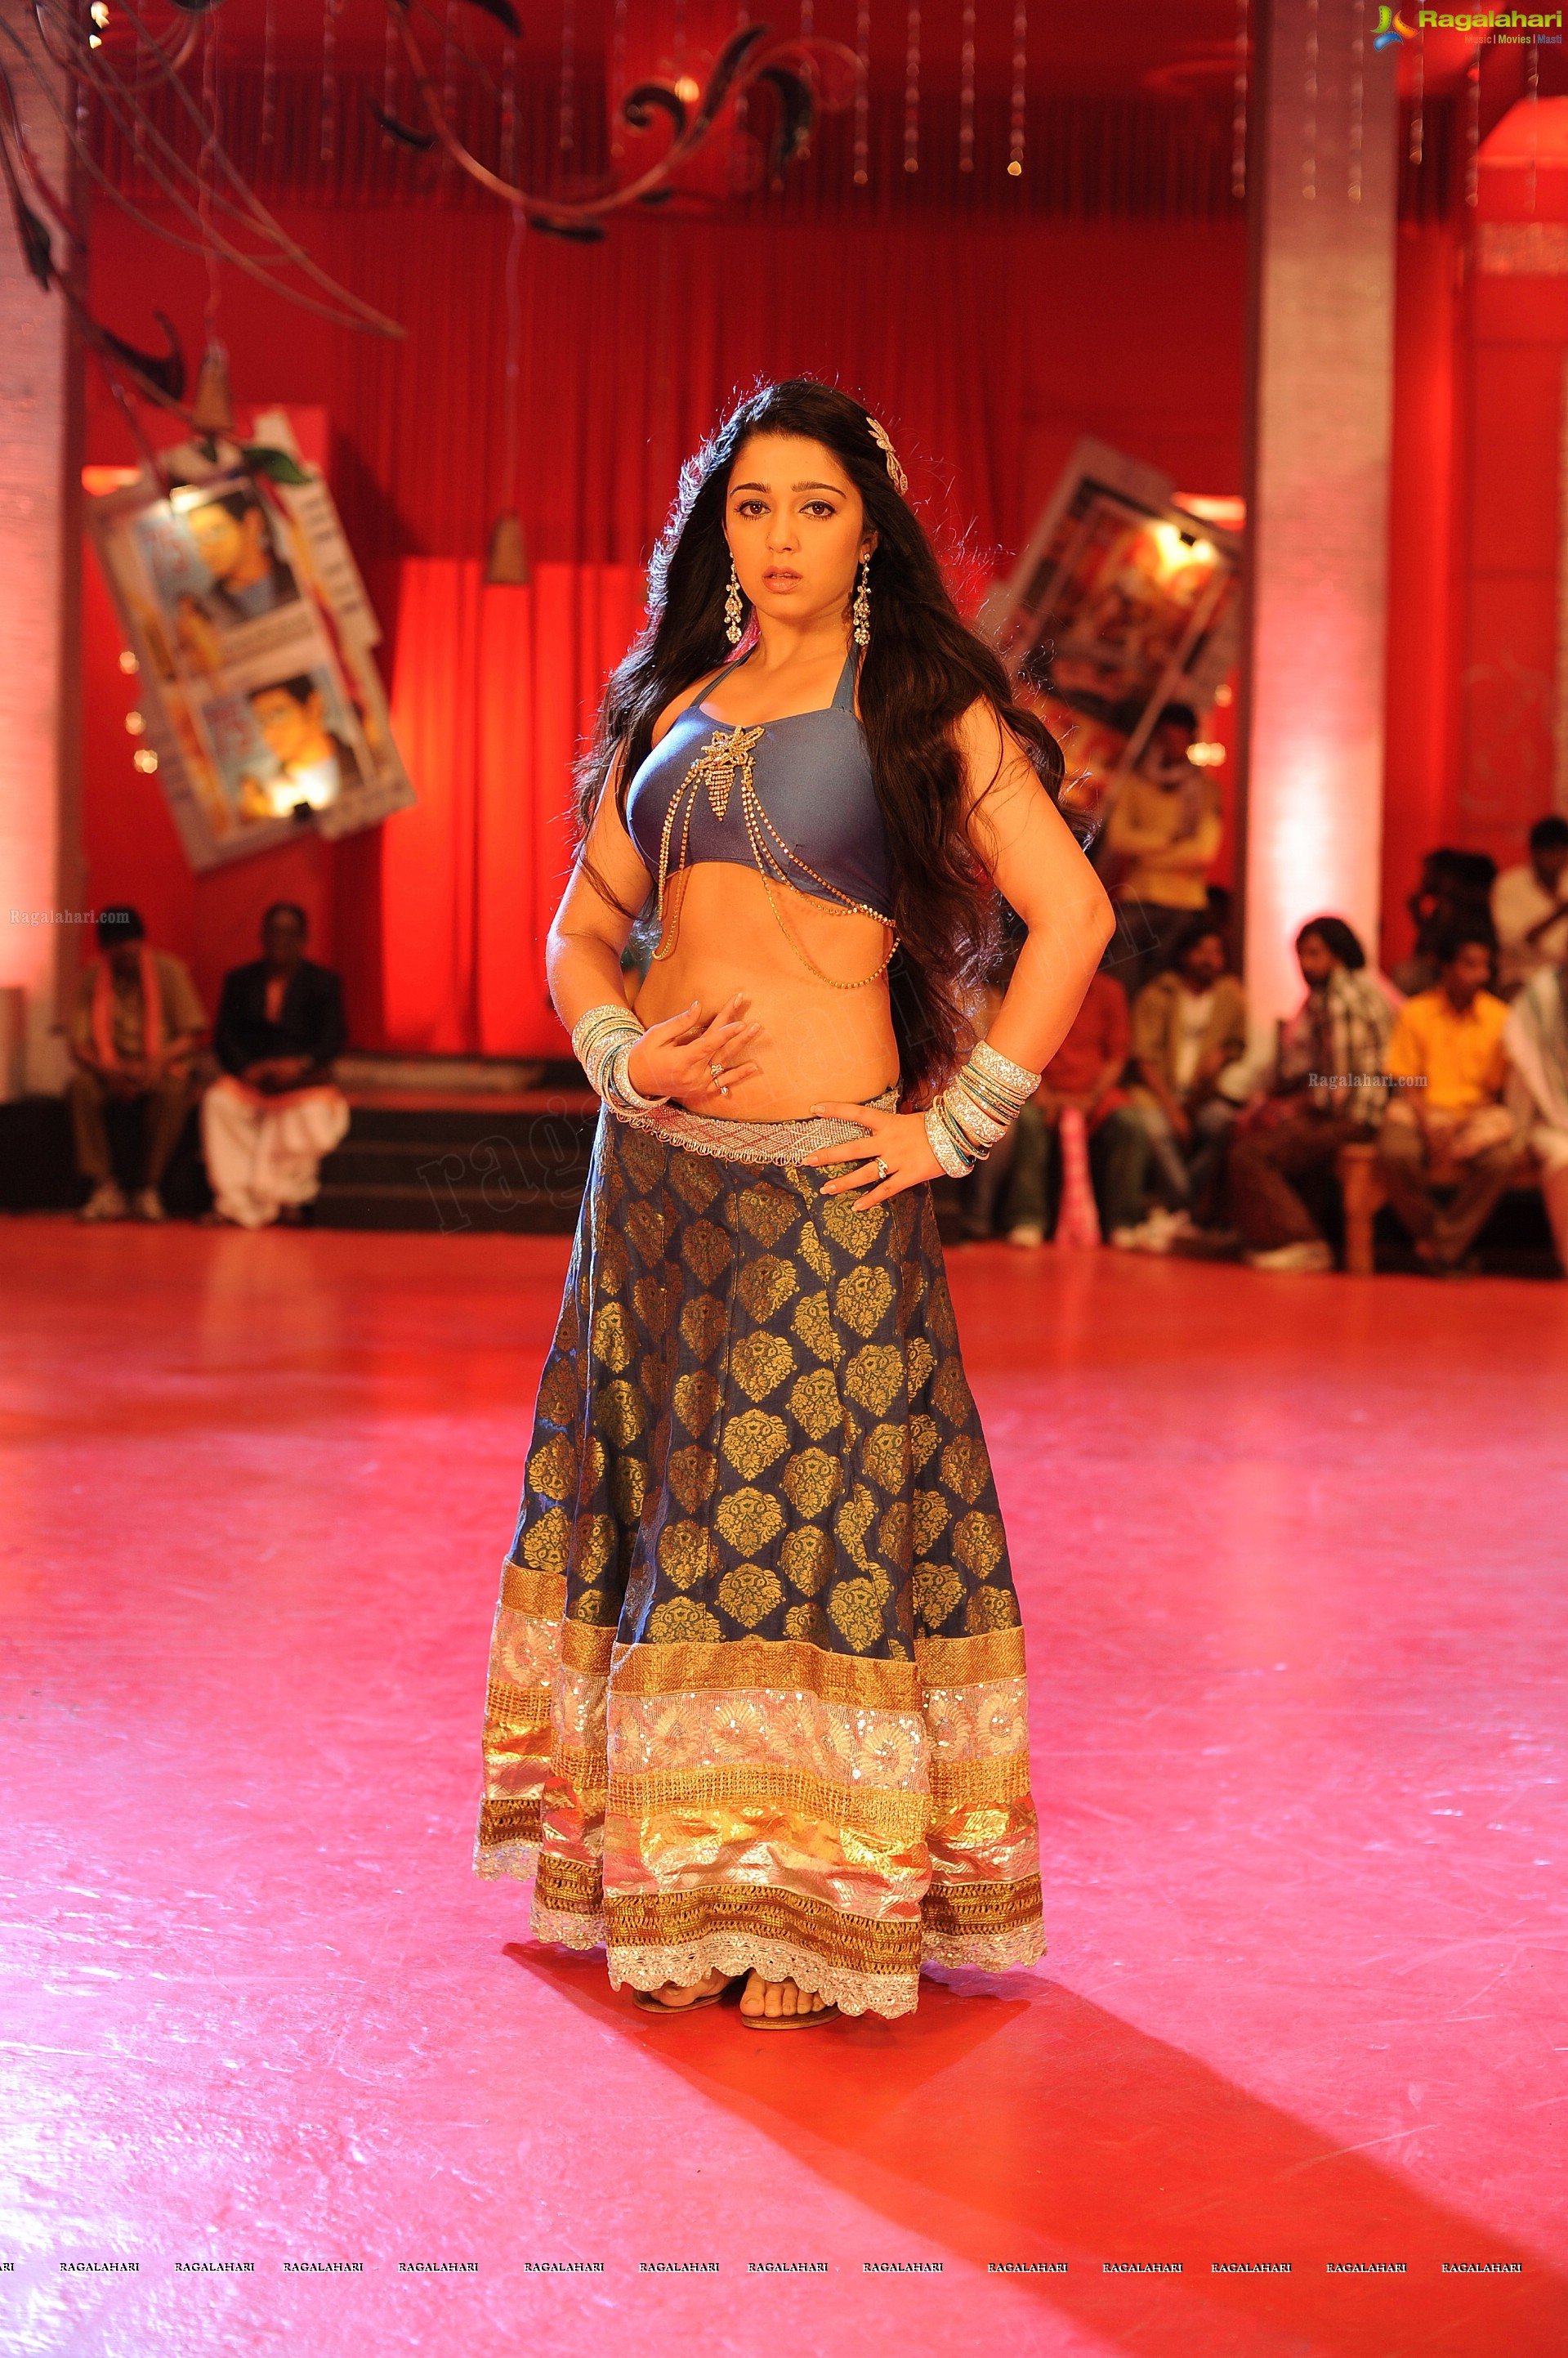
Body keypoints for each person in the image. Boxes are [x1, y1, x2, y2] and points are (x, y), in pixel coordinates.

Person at [476, 379, 1113, 2029]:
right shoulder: (668, 704)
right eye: (750, 505)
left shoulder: (921, 710)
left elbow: (1071, 914)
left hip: (826, 1189)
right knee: (678, 1531)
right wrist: (616, 1051)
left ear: (868, 532)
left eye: (814, 506)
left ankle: (810, 1908)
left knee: (805, 1532)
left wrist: (954, 1125)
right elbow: (576, 933)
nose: (777, 538)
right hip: (652, 1191)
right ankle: (683, 1880)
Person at [1228, 915, 1393, 1274]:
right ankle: (1245, 1235)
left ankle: (1303, 1242)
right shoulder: (1357, 989)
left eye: (1315, 954)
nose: (1305, 964)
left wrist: (1290, 1108)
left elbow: (1339, 1090)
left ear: (1338, 954)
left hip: (1353, 1119)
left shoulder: (1341, 1000)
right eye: (1301, 954)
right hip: (1346, 1112)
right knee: (1247, 1127)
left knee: (1251, 1154)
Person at [1378, 924, 1517, 1272]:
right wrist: (1428, 1127)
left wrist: (1459, 1127)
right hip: (1420, 1112)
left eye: (1484, 966)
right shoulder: (1416, 1012)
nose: (1481, 975)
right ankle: (1446, 1242)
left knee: (1500, 1160)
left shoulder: (1500, 1017)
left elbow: (1495, 1092)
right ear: (1446, 967)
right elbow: (1408, 1082)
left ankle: (1440, 1246)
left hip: (1474, 1116)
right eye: (1470, 965)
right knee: (1395, 1153)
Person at [202, 903, 350, 1229]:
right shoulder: (240, 980)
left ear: (303, 939)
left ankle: (287, 1199)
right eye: (274, 931)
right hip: (252, 1081)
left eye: (288, 933)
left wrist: (300, 1065)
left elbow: (333, 1039)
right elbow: (224, 1037)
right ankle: (237, 1202)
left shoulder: (323, 983)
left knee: (309, 1117)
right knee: (219, 1103)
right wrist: (247, 1069)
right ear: (262, 936)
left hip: (301, 1083)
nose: (280, 940)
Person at [67, 906, 205, 1223]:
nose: (126, 952)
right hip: (110, 1069)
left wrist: (157, 1063)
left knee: (174, 1091)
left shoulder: (168, 970)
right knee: (81, 1088)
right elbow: (78, 1046)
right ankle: (105, 1187)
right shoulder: (92, 977)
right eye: (117, 944)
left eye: (131, 943)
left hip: (160, 1065)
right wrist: (110, 1071)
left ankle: (148, 1187)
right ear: (105, 949)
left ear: (142, 942)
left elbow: (190, 1034)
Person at [992, 967, 1146, 1247]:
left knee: (1130, 1123)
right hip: (1045, 1092)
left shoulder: (1111, 991)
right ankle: (1027, 1218)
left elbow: (1117, 1056)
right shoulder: (1038, 988)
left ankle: (1123, 1222)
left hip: (1095, 1097)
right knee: (1028, 1121)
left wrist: (1093, 1098)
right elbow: (1022, 1048)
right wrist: (1043, 1093)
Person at [1123, 916, 1248, 1246]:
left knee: (1226, 1125)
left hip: (1204, 1097)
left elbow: (1239, 1043)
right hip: (1156, 1094)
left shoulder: (1230, 997)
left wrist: (1222, 1055)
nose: (1209, 959)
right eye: (1201, 951)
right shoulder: (1158, 994)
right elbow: (1143, 1059)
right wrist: (1173, 1110)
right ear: (1184, 954)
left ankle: (1181, 1211)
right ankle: (1189, 1210)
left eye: (1217, 953)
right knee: (1157, 1131)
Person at [1101, 703, 1222, 999]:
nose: (1173, 746)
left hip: (1184, 903)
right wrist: (1170, 841)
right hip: (1138, 897)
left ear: (1191, 740)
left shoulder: (1206, 790)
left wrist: (1146, 855)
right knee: (1122, 988)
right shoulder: (1135, 782)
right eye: (1167, 738)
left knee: (1170, 994)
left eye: (1180, 739)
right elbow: (1119, 838)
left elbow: (1203, 850)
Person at [1503, 951, 1568, 1273]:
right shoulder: (1539, 998)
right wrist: (1516, 1136)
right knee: (1565, 1158)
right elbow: (1525, 1072)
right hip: (1548, 1118)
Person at [237, 677, 362, 822]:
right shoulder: (271, 796)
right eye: (262, 722)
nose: (268, 733)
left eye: (279, 715)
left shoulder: (364, 760)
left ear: (314, 705)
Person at [176, 484, 299, 623]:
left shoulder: (298, 576)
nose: (205, 550)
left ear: (252, 524)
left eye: (215, 532)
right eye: (197, 541)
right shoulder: (208, 606)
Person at [1392, 848, 1497, 998]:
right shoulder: (1444, 907)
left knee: (1406, 974)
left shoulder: (1465, 907)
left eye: (1429, 871)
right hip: (1439, 973)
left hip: (1449, 975)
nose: (1424, 877)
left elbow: (1445, 951)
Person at [1491, 816, 1568, 999]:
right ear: (1535, 852)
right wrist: (1557, 915)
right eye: (1551, 852)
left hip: (1565, 975)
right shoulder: (1509, 885)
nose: (1557, 860)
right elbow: (1512, 944)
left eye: (1562, 852)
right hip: (1523, 975)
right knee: (1519, 994)